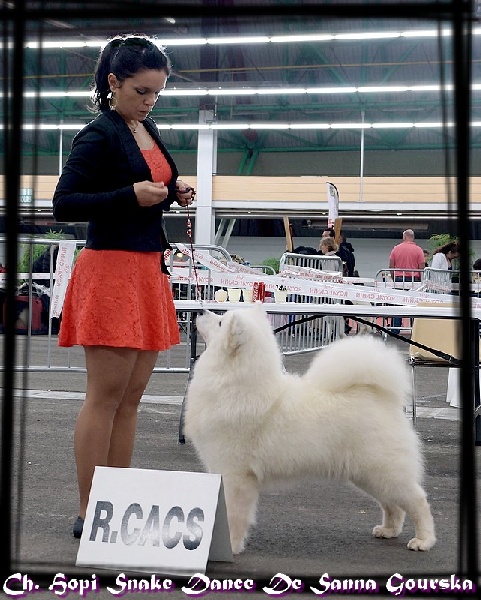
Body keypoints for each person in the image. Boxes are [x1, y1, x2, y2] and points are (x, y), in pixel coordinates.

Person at [52, 34, 194, 540]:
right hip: (110, 270)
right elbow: (64, 203)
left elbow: (146, 187)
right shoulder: (98, 134)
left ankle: (117, 499)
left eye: (157, 93)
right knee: (105, 397)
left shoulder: (145, 127)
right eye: (141, 91)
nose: (150, 101)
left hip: (146, 268)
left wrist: (171, 191)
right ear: (113, 83)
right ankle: (90, 509)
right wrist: (129, 195)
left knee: (131, 397)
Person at [388, 229, 425, 333]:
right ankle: (415, 330)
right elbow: (422, 267)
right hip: (414, 281)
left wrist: (394, 278)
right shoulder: (418, 250)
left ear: (404, 237)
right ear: (413, 237)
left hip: (399, 280)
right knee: (413, 305)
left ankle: (395, 329)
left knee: (398, 304)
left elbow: (391, 266)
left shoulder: (395, 249)